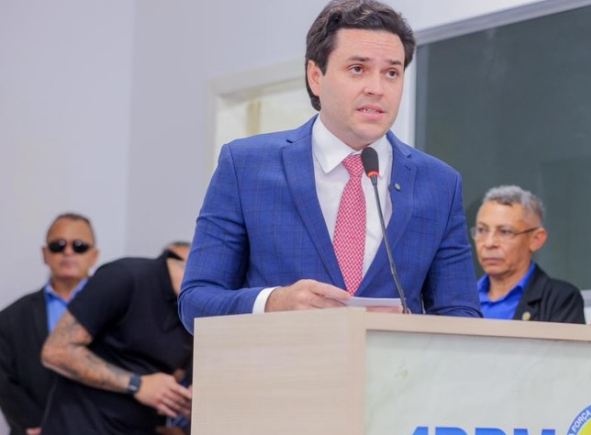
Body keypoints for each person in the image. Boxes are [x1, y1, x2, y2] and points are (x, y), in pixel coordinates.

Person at [178, 0, 481, 332]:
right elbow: (195, 302)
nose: (377, 88)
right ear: (315, 76)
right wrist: (274, 302)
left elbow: (462, 315)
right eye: (358, 69)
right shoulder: (245, 166)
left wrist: (408, 329)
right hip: (278, 363)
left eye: (391, 73)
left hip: (391, 367)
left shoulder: (439, 183)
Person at [39, 247, 193, 435]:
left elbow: (168, 375)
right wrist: (137, 384)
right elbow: (56, 351)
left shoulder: (196, 311)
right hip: (81, 426)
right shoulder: (125, 276)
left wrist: (180, 398)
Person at [0, 213, 99, 435]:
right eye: (58, 245)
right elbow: (4, 379)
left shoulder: (118, 309)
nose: (68, 252)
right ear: (45, 254)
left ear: (94, 255)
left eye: (79, 246)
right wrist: (31, 424)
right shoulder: (11, 317)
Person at [472, 186, 584, 323]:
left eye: (505, 232)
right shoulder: (458, 299)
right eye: (481, 230)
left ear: (536, 239)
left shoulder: (560, 299)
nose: (489, 243)